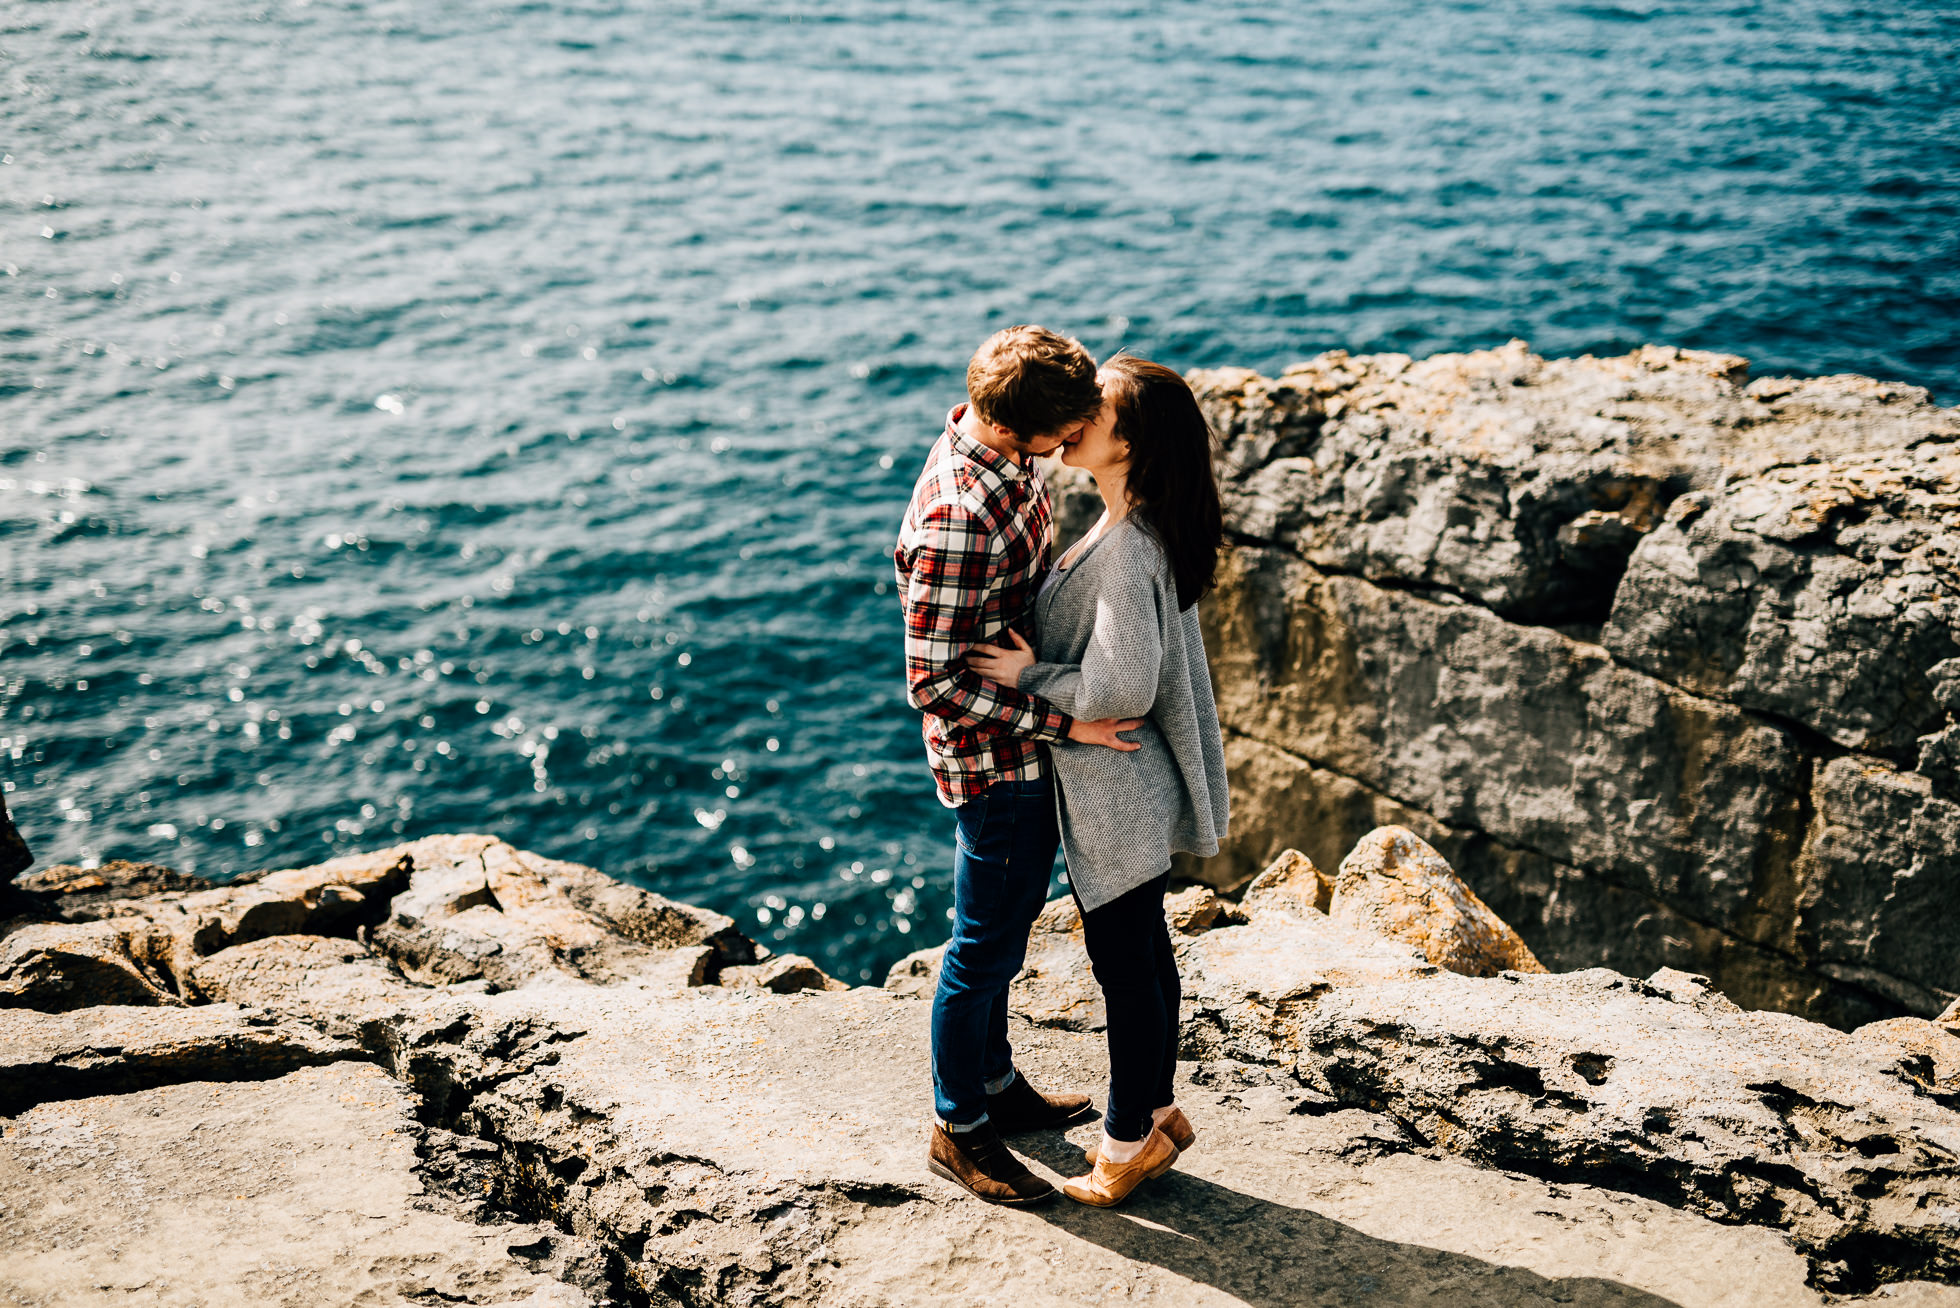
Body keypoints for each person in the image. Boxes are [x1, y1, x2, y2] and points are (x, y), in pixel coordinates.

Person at [966, 355, 1229, 1208]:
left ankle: (1126, 1143)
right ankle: (1155, 1110)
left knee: (1126, 966)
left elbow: (1119, 689)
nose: (1076, 417)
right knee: (1145, 953)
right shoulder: (1139, 523)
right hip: (1129, 781)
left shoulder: (1126, 550)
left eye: (1098, 409)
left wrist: (1030, 674)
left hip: (1115, 784)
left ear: (1135, 443)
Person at [894, 325, 1146, 1206]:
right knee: (981, 948)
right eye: (1065, 430)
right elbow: (933, 683)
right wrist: (1064, 724)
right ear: (1019, 432)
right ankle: (957, 1126)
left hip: (1023, 747)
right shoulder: (961, 520)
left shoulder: (1003, 448)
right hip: (997, 765)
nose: (1075, 440)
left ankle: (996, 1085)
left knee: (1002, 940)